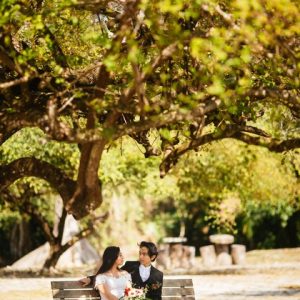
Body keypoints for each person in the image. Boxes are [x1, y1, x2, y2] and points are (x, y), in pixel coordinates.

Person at [80, 241, 163, 300]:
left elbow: (157, 297)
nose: (140, 257)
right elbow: (110, 273)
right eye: (140, 253)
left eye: (144, 254)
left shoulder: (158, 275)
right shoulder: (130, 266)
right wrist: (90, 279)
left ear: (152, 257)